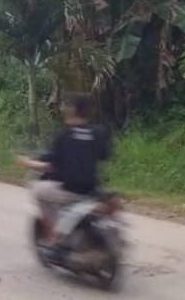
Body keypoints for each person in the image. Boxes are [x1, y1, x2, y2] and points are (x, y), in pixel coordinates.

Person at [16, 94, 113, 248]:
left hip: (70, 191)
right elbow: (104, 155)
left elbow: (51, 162)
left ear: (72, 111)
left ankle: (54, 234)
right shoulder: (99, 134)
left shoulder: (64, 135)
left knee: (37, 190)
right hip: (92, 190)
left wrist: (28, 162)